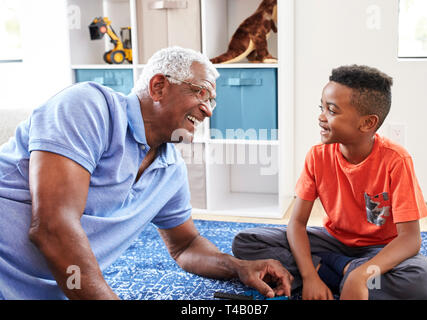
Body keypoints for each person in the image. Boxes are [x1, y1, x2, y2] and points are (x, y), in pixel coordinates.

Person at [0, 46, 293, 300]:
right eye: (201, 92)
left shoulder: (169, 169)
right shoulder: (90, 106)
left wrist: (238, 267)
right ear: (158, 87)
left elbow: (185, 245)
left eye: (213, 101)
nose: (208, 111)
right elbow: (52, 227)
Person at [232, 65, 427, 300]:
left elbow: (410, 239)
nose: (321, 117)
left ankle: (343, 277)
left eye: (331, 110)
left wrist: (363, 273)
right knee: (246, 242)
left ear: (367, 123)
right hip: (332, 243)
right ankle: (337, 273)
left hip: (380, 249)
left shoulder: (396, 160)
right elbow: (297, 224)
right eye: (321, 107)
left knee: (426, 283)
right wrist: (310, 275)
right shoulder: (317, 155)